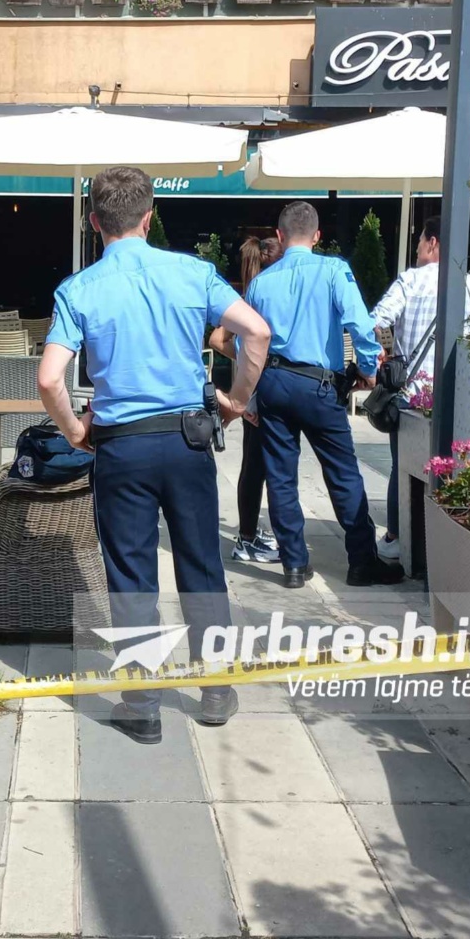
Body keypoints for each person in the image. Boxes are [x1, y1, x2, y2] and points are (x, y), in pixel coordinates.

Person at [38, 167, 270, 746]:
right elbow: (258, 333)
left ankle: (142, 706)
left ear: (95, 222)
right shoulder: (192, 273)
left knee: (131, 574)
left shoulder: (79, 289)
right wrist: (237, 401)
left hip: (120, 446)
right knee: (201, 563)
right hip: (187, 440)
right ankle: (214, 689)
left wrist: (75, 432)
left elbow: (48, 378)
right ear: (149, 218)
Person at [244, 201, 404, 590]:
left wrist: (247, 395)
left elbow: (246, 340)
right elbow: (360, 325)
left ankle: (294, 564)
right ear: (317, 236)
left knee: (280, 477)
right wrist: (368, 368)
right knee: (342, 473)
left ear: (279, 236)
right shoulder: (333, 270)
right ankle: (361, 562)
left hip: (273, 382)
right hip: (319, 386)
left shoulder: (261, 283)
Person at [369, 216, 470, 562]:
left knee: (401, 466)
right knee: (455, 466)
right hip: (458, 397)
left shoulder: (411, 280)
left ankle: (396, 536)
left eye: (419, 241)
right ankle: (447, 538)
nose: (417, 249)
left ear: (433, 243)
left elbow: (376, 320)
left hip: (411, 394)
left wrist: (385, 352)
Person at [209, 236, 281, 563]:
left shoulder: (248, 297)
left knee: (254, 464)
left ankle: (248, 534)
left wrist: (245, 358)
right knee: (260, 467)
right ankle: (247, 538)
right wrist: (255, 358)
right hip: (265, 390)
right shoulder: (264, 297)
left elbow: (217, 338)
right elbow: (218, 339)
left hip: (251, 390)